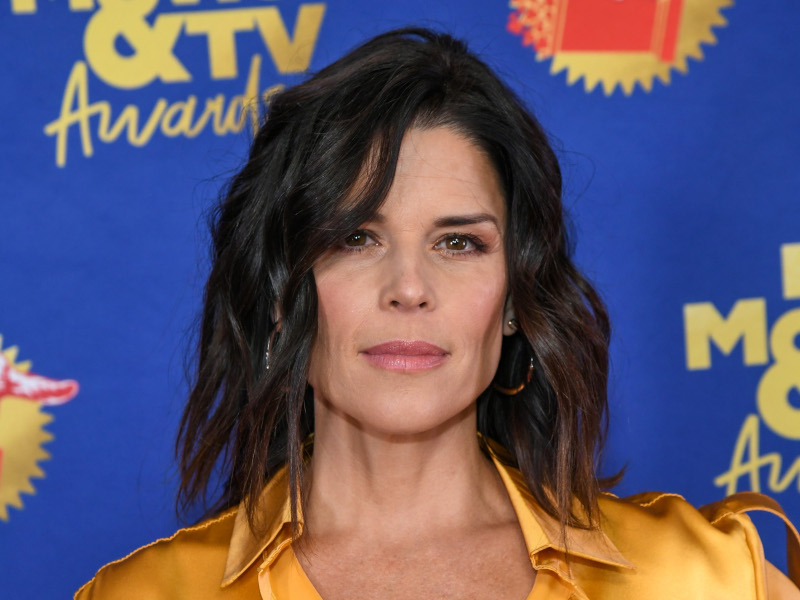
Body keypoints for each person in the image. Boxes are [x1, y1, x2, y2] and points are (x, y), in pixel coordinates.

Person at [75, 27, 800, 599]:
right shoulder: (144, 594)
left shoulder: (705, 579)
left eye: (458, 243)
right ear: (278, 294)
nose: (409, 287)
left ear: (515, 298)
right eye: (355, 238)